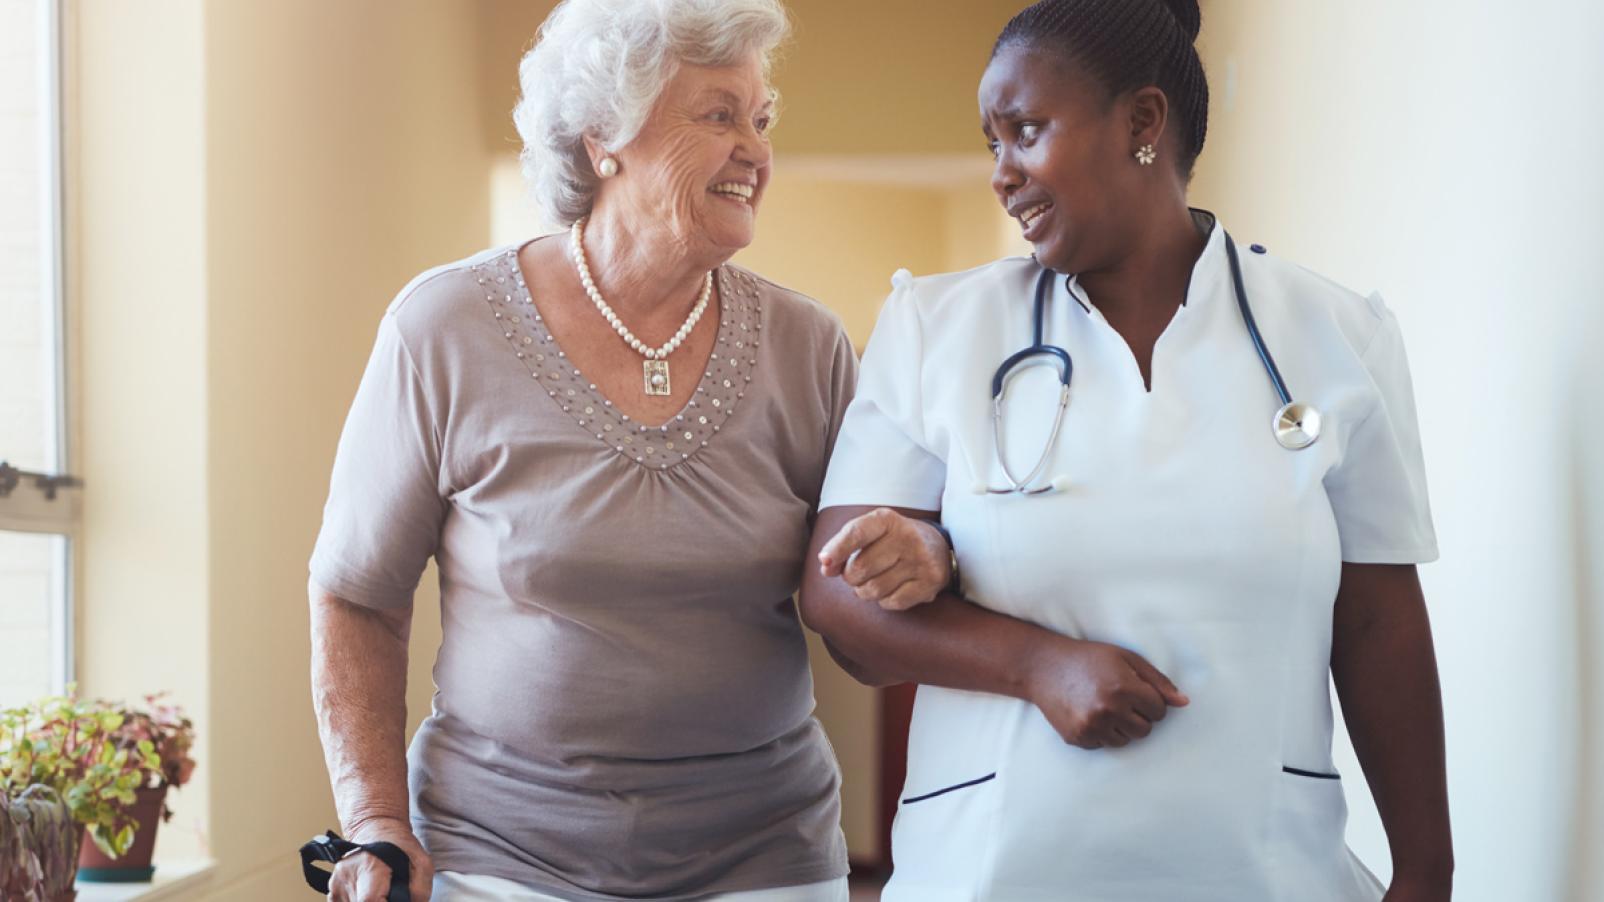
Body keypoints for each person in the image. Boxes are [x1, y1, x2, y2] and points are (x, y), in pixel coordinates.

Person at [800, 1, 1453, 899]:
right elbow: (838, 596)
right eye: (992, 143)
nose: (1000, 173)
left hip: (1262, 868)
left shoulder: (1338, 336)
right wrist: (1039, 666)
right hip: (998, 870)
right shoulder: (937, 330)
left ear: (1144, 122)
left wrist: (1427, 868)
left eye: (1025, 132)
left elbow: (1379, 620)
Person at [306, 1, 936, 898]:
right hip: (500, 855)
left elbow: (865, 642)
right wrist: (374, 823)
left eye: (761, 120)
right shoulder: (445, 329)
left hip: (762, 855)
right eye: (719, 114)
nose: (755, 151)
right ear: (604, 136)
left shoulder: (809, 346)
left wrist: (915, 566)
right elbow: (356, 596)